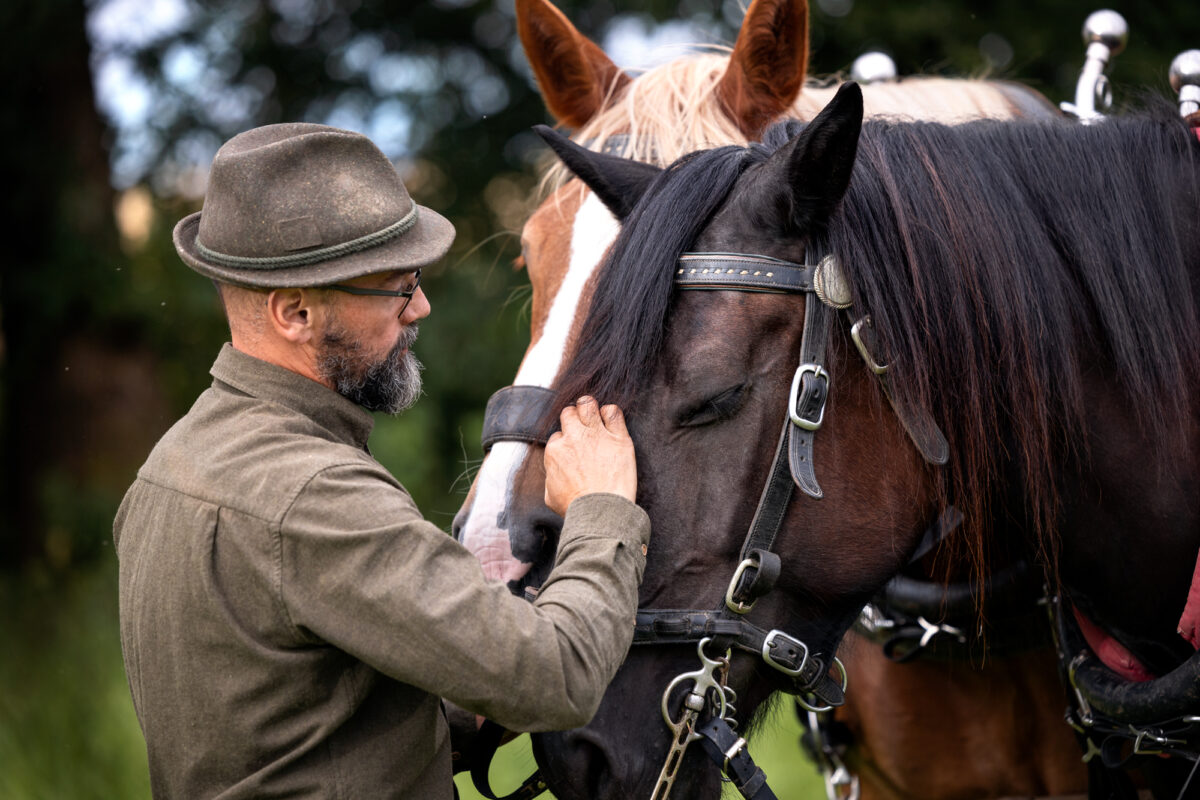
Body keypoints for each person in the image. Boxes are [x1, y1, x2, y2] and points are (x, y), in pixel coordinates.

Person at [113, 123, 648, 799]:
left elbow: (289, 727)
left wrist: (468, 688)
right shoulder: (314, 495)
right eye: (396, 286)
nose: (420, 306)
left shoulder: (174, 461)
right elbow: (559, 678)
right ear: (295, 312)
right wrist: (603, 510)